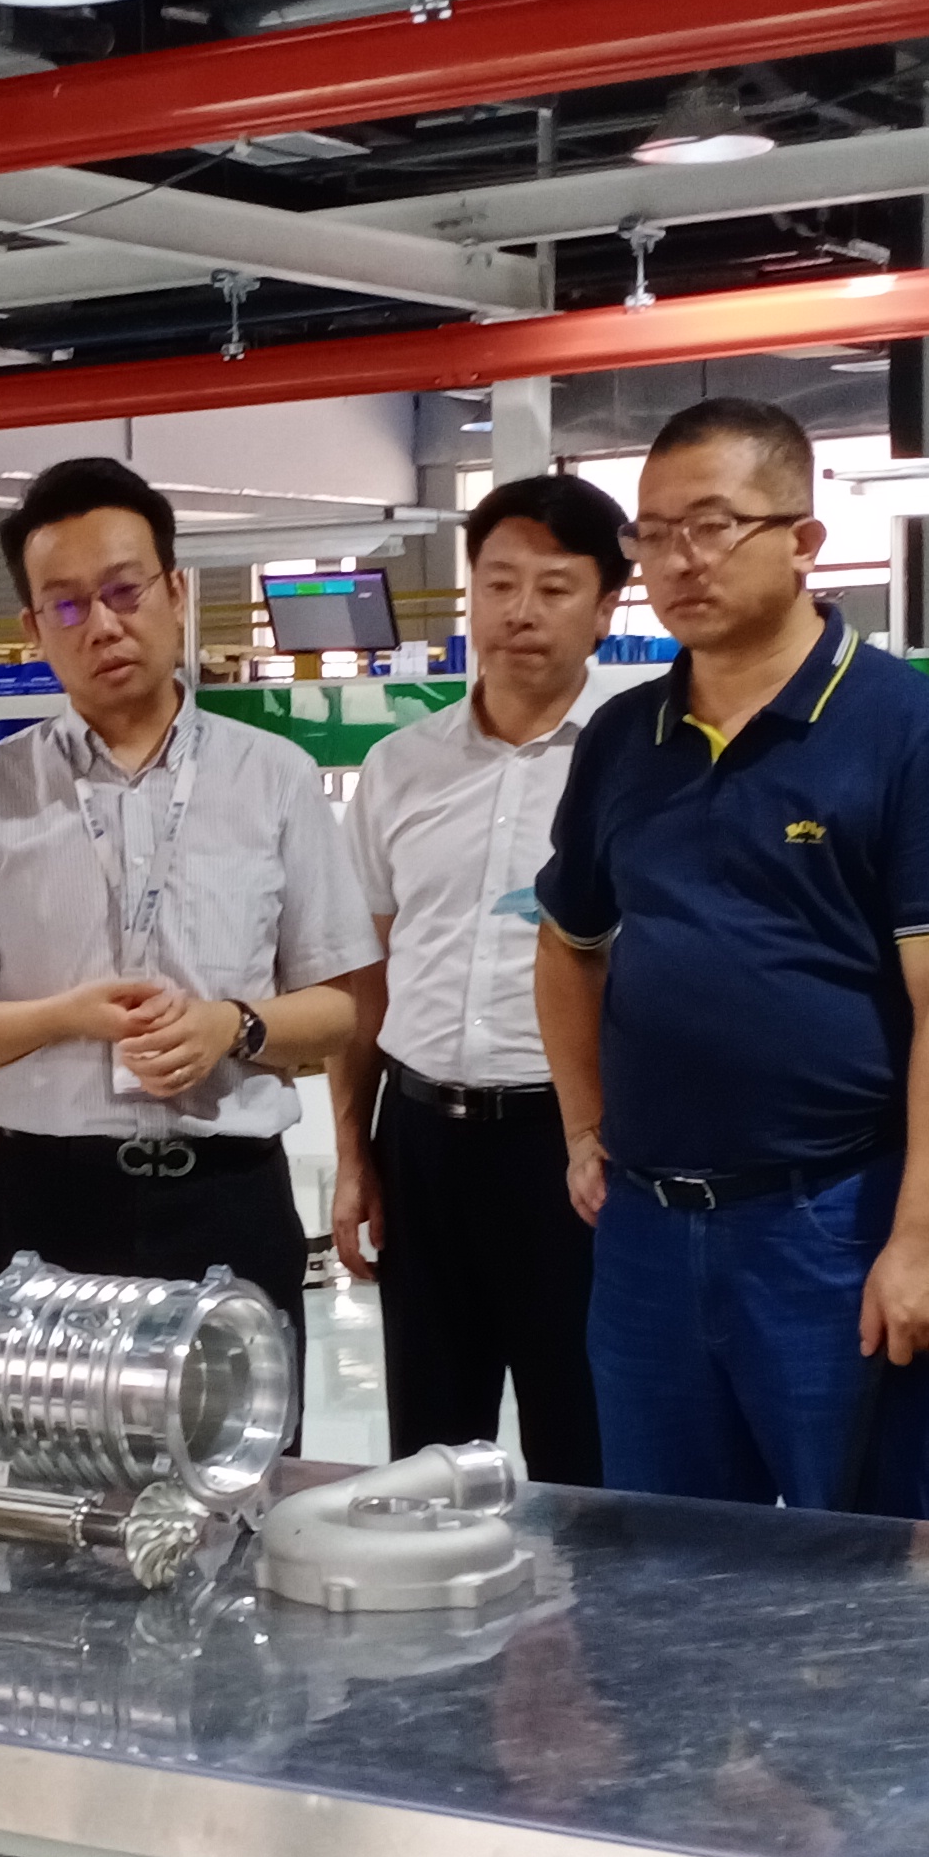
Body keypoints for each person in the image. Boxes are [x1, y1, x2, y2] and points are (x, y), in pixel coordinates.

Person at [528, 394, 929, 1857]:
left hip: (830, 1227)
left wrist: (925, 1231)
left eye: (710, 525)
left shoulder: (906, 730)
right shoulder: (623, 740)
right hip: (652, 1239)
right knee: (659, 1593)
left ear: (806, 538)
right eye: (651, 532)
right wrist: (585, 1128)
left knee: (865, 1592)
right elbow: (568, 946)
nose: (674, 560)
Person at [0, 452, 382, 1857]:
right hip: (50, 1205)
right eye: (64, 603)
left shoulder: (274, 782)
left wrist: (236, 1026)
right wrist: (58, 1016)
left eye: (124, 590)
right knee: (50, 1546)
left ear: (179, 594)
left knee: (231, 1535)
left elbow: (341, 1007)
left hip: (224, 1201)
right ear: (33, 626)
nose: (100, 624)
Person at [325, 472, 621, 1489]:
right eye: (498, 584)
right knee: (428, 1461)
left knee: (585, 1454)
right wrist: (354, 1154)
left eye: (554, 587)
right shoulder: (399, 766)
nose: (520, 611)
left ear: (606, 607)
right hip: (423, 1146)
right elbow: (364, 975)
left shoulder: (634, 762)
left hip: (575, 1154)